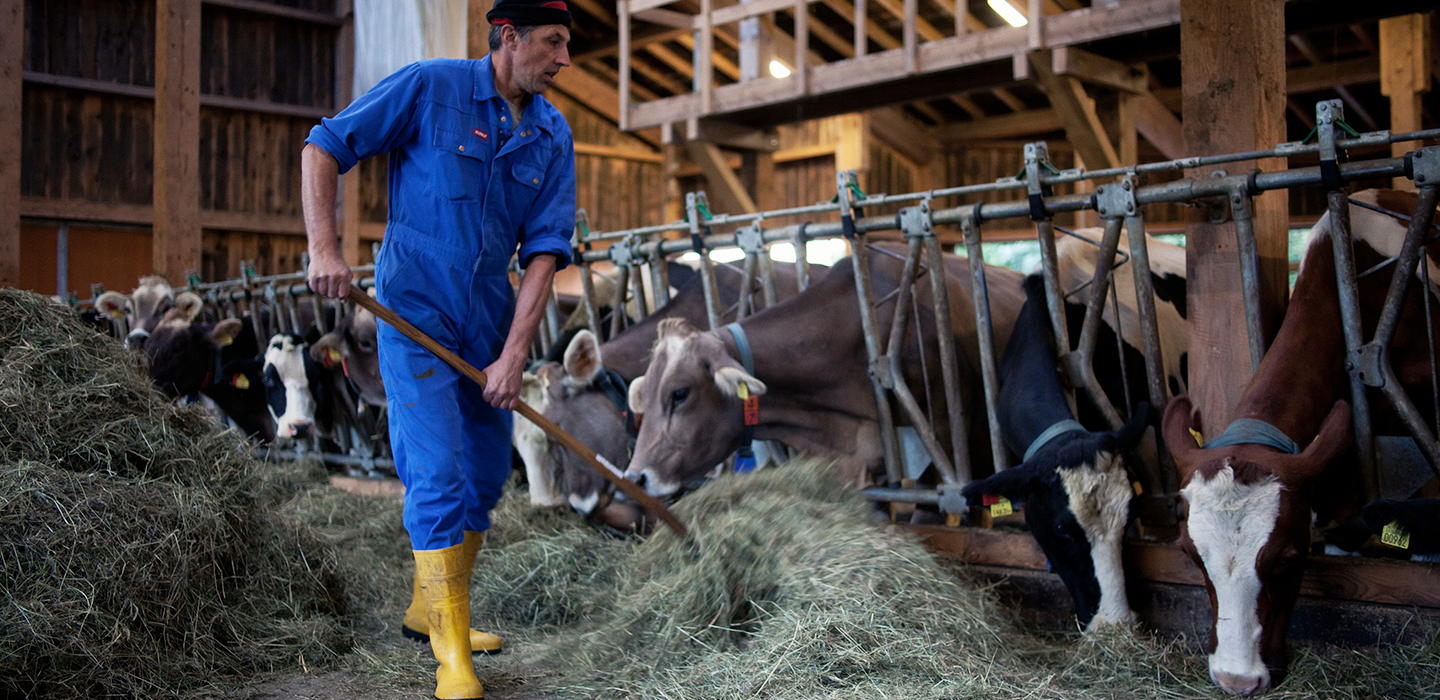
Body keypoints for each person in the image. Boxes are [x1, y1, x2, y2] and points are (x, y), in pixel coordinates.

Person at [301, 0, 575, 696]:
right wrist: (324, 249)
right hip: (413, 308)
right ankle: (452, 655)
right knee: (439, 472)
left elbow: (544, 254)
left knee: (486, 474)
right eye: (552, 42)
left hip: (487, 315)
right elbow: (324, 145)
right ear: (507, 37)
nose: (564, 60)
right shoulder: (431, 87)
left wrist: (514, 355)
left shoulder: (552, 132)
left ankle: (430, 608)